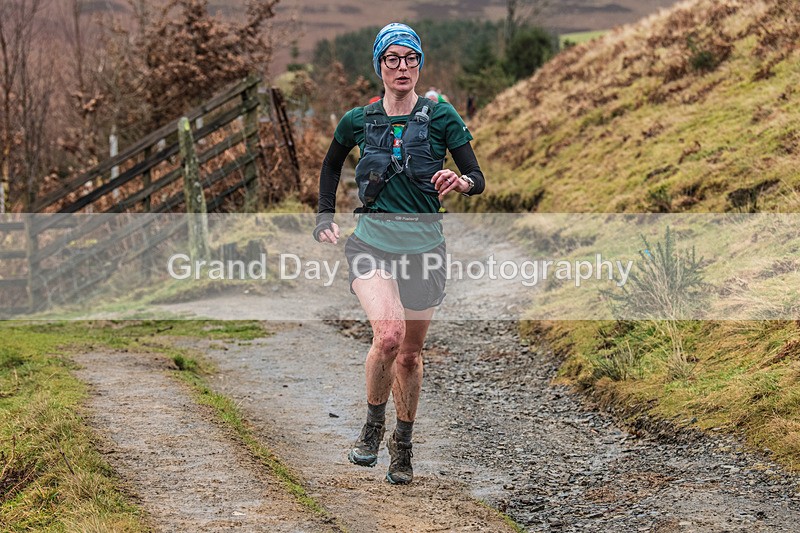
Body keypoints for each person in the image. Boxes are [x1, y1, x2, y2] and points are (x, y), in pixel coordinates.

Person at [313, 22, 485, 485]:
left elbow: (475, 176)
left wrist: (461, 181)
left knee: (409, 354)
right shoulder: (358, 120)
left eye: (410, 59)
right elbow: (331, 165)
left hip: (425, 249)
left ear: (419, 64)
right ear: (380, 67)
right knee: (387, 335)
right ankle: (372, 427)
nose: (402, 67)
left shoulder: (442, 117)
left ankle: (402, 443)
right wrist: (324, 216)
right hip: (371, 245)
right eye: (393, 59)